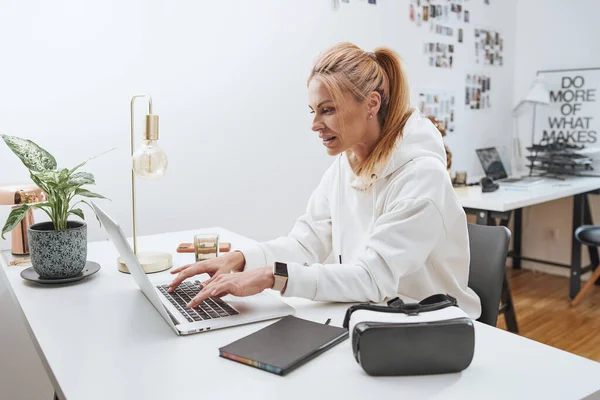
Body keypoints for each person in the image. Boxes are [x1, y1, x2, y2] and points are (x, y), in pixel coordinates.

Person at [169, 42, 481, 318]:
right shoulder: (346, 166)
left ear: (372, 104)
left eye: (327, 110)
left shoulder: (421, 177)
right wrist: (239, 260)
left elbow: (372, 278)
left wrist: (271, 277)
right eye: (313, 112)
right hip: (372, 316)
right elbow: (306, 243)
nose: (316, 125)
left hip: (430, 326)